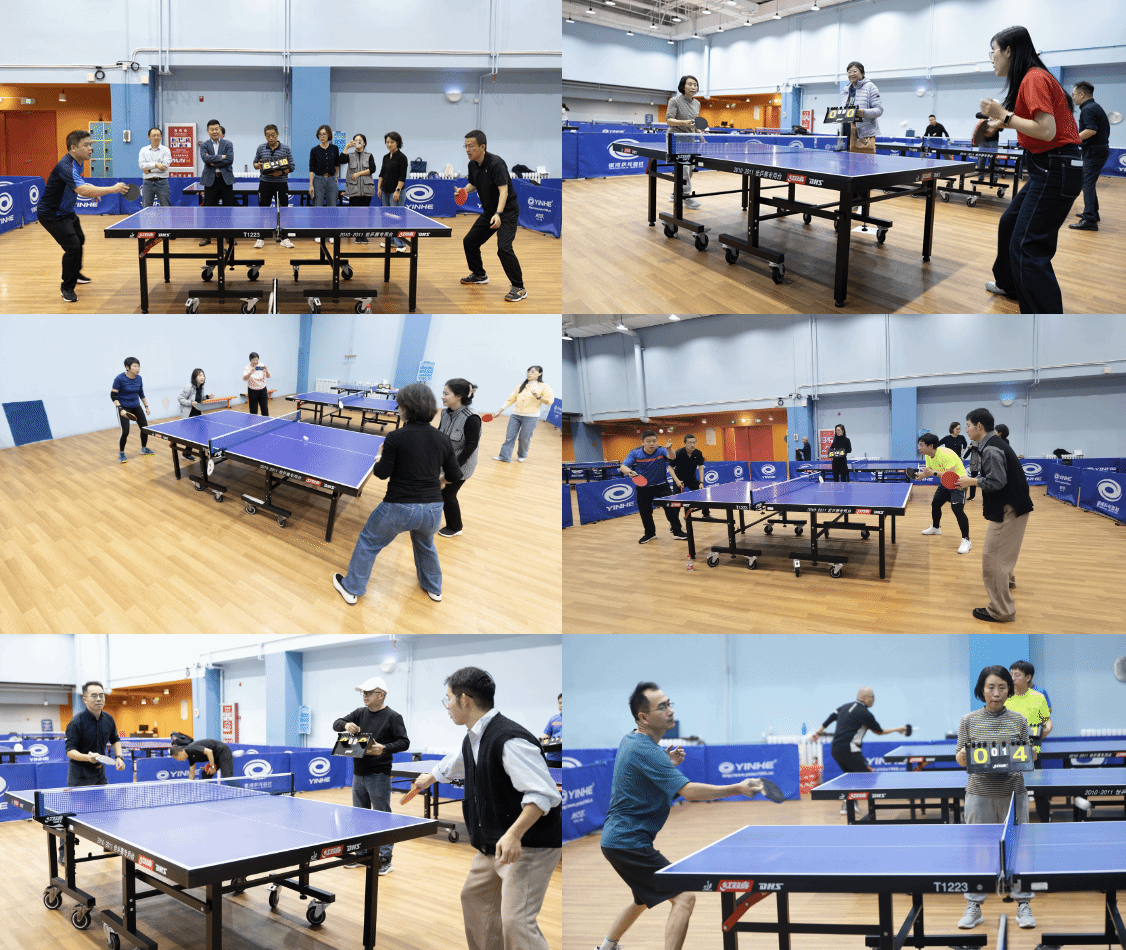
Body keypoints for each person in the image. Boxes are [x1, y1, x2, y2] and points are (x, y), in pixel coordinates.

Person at [595, 682, 763, 950]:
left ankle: (606, 947)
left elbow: (641, 783)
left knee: (642, 898)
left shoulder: (633, 740)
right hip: (628, 842)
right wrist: (737, 788)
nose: (670, 711)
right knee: (684, 898)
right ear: (643, 717)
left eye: (669, 704)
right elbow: (689, 792)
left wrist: (666, 764)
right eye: (662, 707)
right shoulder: (646, 750)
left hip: (620, 840)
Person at [407, 667, 561, 950]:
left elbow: (543, 794)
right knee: (475, 900)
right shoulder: (473, 737)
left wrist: (514, 834)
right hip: (493, 842)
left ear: (464, 700)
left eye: (448, 699)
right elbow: (456, 760)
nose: (447, 706)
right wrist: (430, 778)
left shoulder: (510, 739)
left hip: (528, 843)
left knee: (516, 922)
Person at [980, 26, 1083, 313]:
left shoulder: (1033, 78)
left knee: (1028, 247)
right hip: (1050, 167)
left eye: (993, 51)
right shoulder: (1032, 78)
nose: (991, 58)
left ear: (1008, 51)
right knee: (1009, 224)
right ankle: (1010, 285)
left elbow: (1047, 130)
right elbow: (1039, 126)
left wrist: (1004, 116)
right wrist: (1002, 122)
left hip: (1055, 167)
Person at [333, 383, 461, 605]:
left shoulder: (396, 437)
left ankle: (351, 588)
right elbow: (455, 475)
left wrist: (379, 457)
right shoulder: (443, 439)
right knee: (425, 545)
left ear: (407, 409)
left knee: (368, 542)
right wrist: (437, 484)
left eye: (400, 405)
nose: (398, 409)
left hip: (399, 506)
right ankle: (434, 588)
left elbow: (382, 473)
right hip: (433, 509)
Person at [955, 666, 1035, 931]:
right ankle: (974, 905)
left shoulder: (1019, 720)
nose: (996, 693)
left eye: (1002, 687)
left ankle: (1023, 903)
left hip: (1014, 793)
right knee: (977, 851)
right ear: (982, 690)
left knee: (1020, 849)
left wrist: (1029, 756)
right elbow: (960, 756)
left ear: (1009, 690)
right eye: (991, 687)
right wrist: (962, 756)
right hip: (979, 794)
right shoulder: (968, 720)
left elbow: (1026, 755)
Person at [957, 407, 1034, 623]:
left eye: (968, 425)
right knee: (1004, 554)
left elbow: (996, 482)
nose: (966, 429)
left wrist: (972, 481)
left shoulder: (991, 449)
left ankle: (1001, 610)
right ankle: (1007, 581)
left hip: (1009, 509)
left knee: (992, 558)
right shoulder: (994, 443)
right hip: (1016, 505)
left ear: (979, 426)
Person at [39, 130, 129, 302]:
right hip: (51, 214)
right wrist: (112, 189)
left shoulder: (78, 163)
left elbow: (80, 184)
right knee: (73, 246)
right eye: (86, 145)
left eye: (91, 144)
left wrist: (93, 191)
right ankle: (67, 287)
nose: (90, 148)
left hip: (66, 211)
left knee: (79, 239)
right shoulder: (66, 166)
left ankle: (75, 272)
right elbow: (81, 190)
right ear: (73, 148)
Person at [333, 675, 410, 874]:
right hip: (358, 774)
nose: (364, 696)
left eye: (368, 692)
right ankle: (361, 853)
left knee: (382, 817)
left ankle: (385, 858)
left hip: (379, 775)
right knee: (360, 816)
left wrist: (384, 748)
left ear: (381, 695)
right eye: (363, 693)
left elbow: (404, 742)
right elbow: (336, 723)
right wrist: (345, 726)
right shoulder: (359, 713)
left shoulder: (393, 717)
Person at [809, 687, 909, 813]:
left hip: (835, 749)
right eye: (873, 697)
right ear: (866, 698)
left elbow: (831, 717)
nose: (874, 700)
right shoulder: (865, 713)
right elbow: (880, 732)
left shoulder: (845, 706)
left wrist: (818, 733)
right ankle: (868, 811)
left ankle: (849, 805)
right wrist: (898, 729)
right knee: (870, 777)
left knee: (852, 777)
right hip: (849, 750)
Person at [458, 130, 527, 303]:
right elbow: (473, 184)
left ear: (482, 147)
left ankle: (519, 287)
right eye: (465, 146)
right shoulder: (472, 164)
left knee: (504, 248)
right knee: (470, 241)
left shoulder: (496, 164)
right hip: (490, 212)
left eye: (470, 146)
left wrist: (498, 214)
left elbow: (503, 190)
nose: (467, 150)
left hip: (507, 211)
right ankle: (479, 275)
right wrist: (463, 191)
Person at [1006, 659, 1053, 822]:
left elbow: (1047, 720)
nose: (1012, 677)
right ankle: (1012, 822)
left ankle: (1046, 821)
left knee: (1040, 793)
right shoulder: (1005, 697)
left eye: (1017, 674)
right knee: (1011, 793)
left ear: (1028, 677)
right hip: (1010, 754)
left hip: (1033, 753)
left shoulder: (1039, 697)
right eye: (1011, 674)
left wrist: (1048, 728)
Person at [620, 432, 687, 544]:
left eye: (654, 441)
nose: (652, 443)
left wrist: (669, 449)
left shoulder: (661, 450)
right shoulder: (635, 453)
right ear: (642, 442)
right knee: (645, 511)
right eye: (648, 441)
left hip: (662, 485)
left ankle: (677, 532)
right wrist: (630, 472)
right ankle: (650, 533)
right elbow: (623, 466)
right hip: (643, 487)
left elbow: (672, 457)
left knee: (671, 509)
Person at [436, 378, 481, 539]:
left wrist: (453, 469)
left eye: (446, 394)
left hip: (461, 464)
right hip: (444, 461)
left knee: (448, 494)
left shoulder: (471, 418)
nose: (442, 397)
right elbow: (439, 433)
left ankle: (455, 527)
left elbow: (471, 446)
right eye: (443, 393)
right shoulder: (444, 413)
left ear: (458, 396)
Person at [916, 433, 972, 554]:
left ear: (931, 446)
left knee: (957, 509)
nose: (919, 448)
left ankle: (966, 540)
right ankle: (936, 528)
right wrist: (921, 475)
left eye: (921, 445)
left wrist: (932, 473)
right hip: (945, 483)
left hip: (959, 482)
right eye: (919, 445)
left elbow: (950, 474)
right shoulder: (928, 456)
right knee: (935, 504)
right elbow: (929, 471)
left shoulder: (945, 453)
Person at [65, 681, 126, 787]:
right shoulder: (76, 722)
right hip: (80, 775)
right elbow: (70, 751)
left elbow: (115, 740)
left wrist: (119, 757)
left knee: (102, 798)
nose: (98, 699)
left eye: (101, 695)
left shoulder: (109, 719)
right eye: (94, 696)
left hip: (100, 774)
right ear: (84, 699)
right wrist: (87, 757)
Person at [1068, 81, 1110, 232]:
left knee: (1087, 183)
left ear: (1082, 94)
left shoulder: (1088, 109)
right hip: (1099, 150)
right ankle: (1093, 213)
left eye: (1074, 94)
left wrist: (1071, 140)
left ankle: (1089, 219)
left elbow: (1091, 130)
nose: (1073, 97)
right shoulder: (1095, 107)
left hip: (1094, 151)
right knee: (1089, 183)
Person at [492, 366, 554, 463]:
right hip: (515, 415)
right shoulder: (520, 386)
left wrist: (538, 397)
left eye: (533, 372)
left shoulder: (544, 386)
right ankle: (504, 456)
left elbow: (550, 401)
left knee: (524, 439)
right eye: (528, 371)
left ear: (540, 374)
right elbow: (510, 399)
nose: (529, 373)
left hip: (531, 417)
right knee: (509, 437)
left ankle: (522, 455)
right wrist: (499, 412)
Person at [252, 124, 296, 249]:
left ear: (277, 134)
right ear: (265, 136)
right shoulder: (261, 148)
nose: (271, 138)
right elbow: (255, 163)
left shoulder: (285, 149)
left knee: (284, 211)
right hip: (265, 183)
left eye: (273, 135)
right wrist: (258, 165)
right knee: (263, 210)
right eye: (268, 135)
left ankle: (284, 238)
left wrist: (280, 173)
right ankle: (260, 238)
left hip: (281, 183)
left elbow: (292, 167)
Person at [664, 75, 703, 209]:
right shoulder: (675, 101)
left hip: (689, 139)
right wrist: (684, 122)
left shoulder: (697, 103)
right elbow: (669, 120)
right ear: (683, 86)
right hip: (676, 137)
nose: (693, 87)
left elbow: (695, 122)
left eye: (695, 85)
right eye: (690, 84)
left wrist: (699, 134)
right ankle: (686, 197)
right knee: (684, 167)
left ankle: (675, 193)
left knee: (690, 168)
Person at [197, 119, 235, 246]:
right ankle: (207, 237)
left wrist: (213, 161)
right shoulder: (204, 145)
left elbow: (230, 159)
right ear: (208, 131)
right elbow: (205, 158)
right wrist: (221, 157)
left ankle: (229, 237)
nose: (214, 131)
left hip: (225, 180)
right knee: (208, 210)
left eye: (216, 129)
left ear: (220, 130)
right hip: (210, 181)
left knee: (228, 209)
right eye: (212, 129)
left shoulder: (228, 143)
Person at [111, 357, 156, 464]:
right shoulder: (119, 378)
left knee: (145, 428)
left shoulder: (139, 378)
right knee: (125, 431)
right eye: (135, 366)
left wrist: (146, 406)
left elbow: (141, 393)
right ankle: (121, 452)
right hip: (124, 407)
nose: (137, 368)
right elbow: (113, 395)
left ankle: (143, 448)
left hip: (136, 406)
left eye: (138, 366)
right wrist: (120, 409)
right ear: (127, 367)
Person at [337, 134, 376, 244]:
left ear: (364, 143)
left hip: (367, 189)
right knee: (356, 214)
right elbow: (340, 160)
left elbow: (372, 169)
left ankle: (364, 235)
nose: (358, 142)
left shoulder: (369, 155)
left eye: (360, 140)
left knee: (365, 214)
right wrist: (346, 147)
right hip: (354, 189)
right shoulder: (349, 156)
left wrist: (358, 174)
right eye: (355, 140)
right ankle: (358, 236)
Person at [309, 123, 342, 245]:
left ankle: (331, 233)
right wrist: (311, 184)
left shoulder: (334, 148)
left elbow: (337, 164)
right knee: (317, 207)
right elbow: (311, 168)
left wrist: (336, 177)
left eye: (324, 134)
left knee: (332, 207)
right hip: (318, 179)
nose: (322, 136)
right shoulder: (314, 150)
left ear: (329, 135)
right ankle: (318, 233)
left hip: (332, 179)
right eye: (320, 134)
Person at [841, 61, 883, 153]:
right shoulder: (845, 90)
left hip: (864, 135)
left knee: (865, 161)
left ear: (862, 73)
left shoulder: (870, 87)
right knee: (847, 161)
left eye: (854, 71)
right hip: (847, 134)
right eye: (849, 72)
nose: (851, 74)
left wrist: (863, 113)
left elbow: (879, 110)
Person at [376, 132, 408, 250]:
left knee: (396, 218)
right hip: (385, 191)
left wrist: (398, 190)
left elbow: (402, 176)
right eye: (387, 142)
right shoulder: (385, 157)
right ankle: (391, 241)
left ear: (397, 143)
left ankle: (401, 244)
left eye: (392, 142)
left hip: (396, 192)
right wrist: (379, 188)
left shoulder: (402, 157)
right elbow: (382, 173)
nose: (389, 144)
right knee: (387, 218)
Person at [177, 368, 212, 461]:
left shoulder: (201, 387)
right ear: (194, 377)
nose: (202, 377)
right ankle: (187, 454)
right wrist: (191, 403)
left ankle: (202, 453)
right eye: (200, 375)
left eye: (203, 375)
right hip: (189, 415)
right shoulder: (189, 386)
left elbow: (198, 400)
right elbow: (180, 399)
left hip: (198, 413)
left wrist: (206, 397)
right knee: (195, 435)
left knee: (202, 433)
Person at [672, 433, 709, 518]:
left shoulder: (698, 453)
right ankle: (674, 522)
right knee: (676, 501)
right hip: (679, 480)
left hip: (691, 479)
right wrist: (677, 481)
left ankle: (706, 514)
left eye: (694, 442)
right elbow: (670, 468)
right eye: (689, 443)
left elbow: (700, 467)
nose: (692, 445)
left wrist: (701, 482)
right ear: (684, 444)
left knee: (702, 493)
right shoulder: (679, 453)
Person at [170, 736, 235, 780]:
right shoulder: (190, 757)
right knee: (205, 775)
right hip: (215, 756)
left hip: (222, 751)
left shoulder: (192, 748)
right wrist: (190, 785)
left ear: (179, 753)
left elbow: (209, 752)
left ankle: (240, 791)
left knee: (227, 778)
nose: (179, 760)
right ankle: (208, 793)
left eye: (177, 758)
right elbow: (192, 772)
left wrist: (212, 766)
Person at [138, 127, 172, 208]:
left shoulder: (166, 150)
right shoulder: (143, 150)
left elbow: (164, 167)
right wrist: (156, 164)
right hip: (147, 183)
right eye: (153, 135)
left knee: (166, 207)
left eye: (158, 135)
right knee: (146, 208)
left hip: (162, 182)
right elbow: (142, 165)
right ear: (149, 137)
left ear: (161, 137)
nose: (156, 137)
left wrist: (149, 170)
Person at [541, 693, 562, 767]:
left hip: (567, 757)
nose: (561, 705)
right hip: (552, 759)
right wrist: (537, 742)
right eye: (560, 703)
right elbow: (546, 735)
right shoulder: (553, 719)